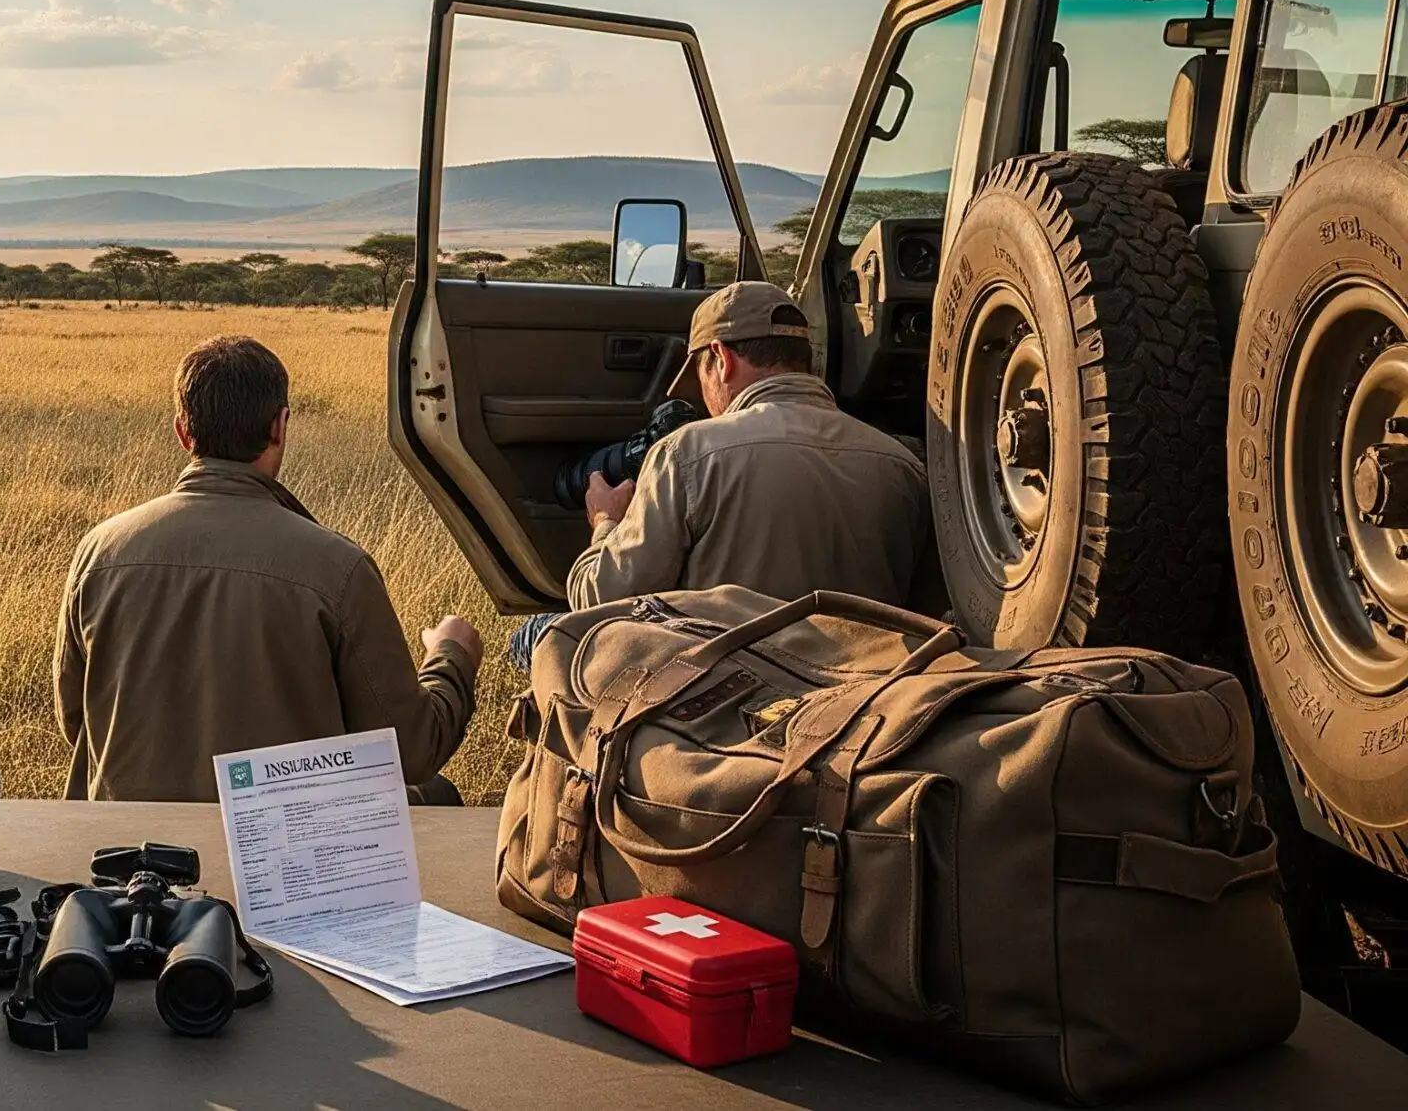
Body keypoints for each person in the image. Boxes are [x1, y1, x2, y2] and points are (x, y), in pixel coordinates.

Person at [55, 335, 481, 802]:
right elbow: (411, 753)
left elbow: (76, 721)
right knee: (436, 794)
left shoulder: (98, 551)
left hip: (125, 858)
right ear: (280, 426)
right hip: (285, 856)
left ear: (181, 432)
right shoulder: (338, 566)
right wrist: (451, 656)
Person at [568, 281, 932, 610]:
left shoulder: (686, 454)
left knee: (536, 634)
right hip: (874, 679)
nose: (705, 402)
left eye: (701, 379)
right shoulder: (903, 465)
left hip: (736, 682)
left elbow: (602, 602)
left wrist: (606, 521)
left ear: (722, 360)